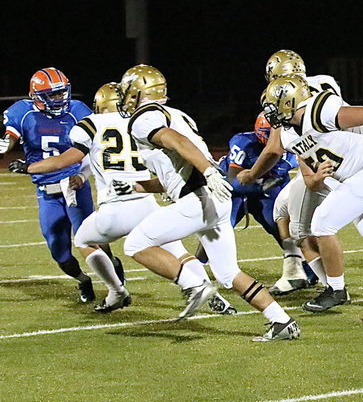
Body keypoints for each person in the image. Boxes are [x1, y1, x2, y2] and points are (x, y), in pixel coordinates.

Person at [11, 82, 235, 315]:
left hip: (115, 208)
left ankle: (117, 291)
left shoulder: (92, 124)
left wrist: (30, 167)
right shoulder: (138, 122)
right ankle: (213, 296)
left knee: (83, 240)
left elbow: (65, 160)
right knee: (175, 248)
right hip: (146, 201)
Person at [116, 64, 297, 341]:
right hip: (216, 197)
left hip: (200, 196)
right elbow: (174, 173)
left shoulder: (144, 118)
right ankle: (281, 321)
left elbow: (175, 141)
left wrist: (209, 172)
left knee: (135, 243)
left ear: (136, 93)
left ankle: (193, 284)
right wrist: (139, 186)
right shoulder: (177, 115)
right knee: (228, 273)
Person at [259, 74, 363, 312]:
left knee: (322, 223)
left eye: (275, 104)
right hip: (353, 181)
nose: (271, 111)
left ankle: (336, 289)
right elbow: (310, 180)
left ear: (291, 101)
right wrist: (317, 177)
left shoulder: (319, 111)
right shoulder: (289, 133)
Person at [0, 68, 98, 302]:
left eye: (62, 93)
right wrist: (5, 144)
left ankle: (117, 283)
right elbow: (10, 138)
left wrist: (83, 176)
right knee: (59, 251)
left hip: (75, 186)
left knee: (92, 240)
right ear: (37, 96)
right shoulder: (22, 112)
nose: (60, 99)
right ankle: (84, 281)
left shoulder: (78, 110)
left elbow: (96, 151)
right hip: (47, 191)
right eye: (53, 95)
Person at [216, 111, 312, 295]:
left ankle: (304, 271)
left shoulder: (291, 145)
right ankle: (194, 270)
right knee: (219, 231)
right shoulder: (244, 142)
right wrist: (260, 185)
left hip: (266, 194)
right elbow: (232, 183)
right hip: (237, 193)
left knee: (281, 226)